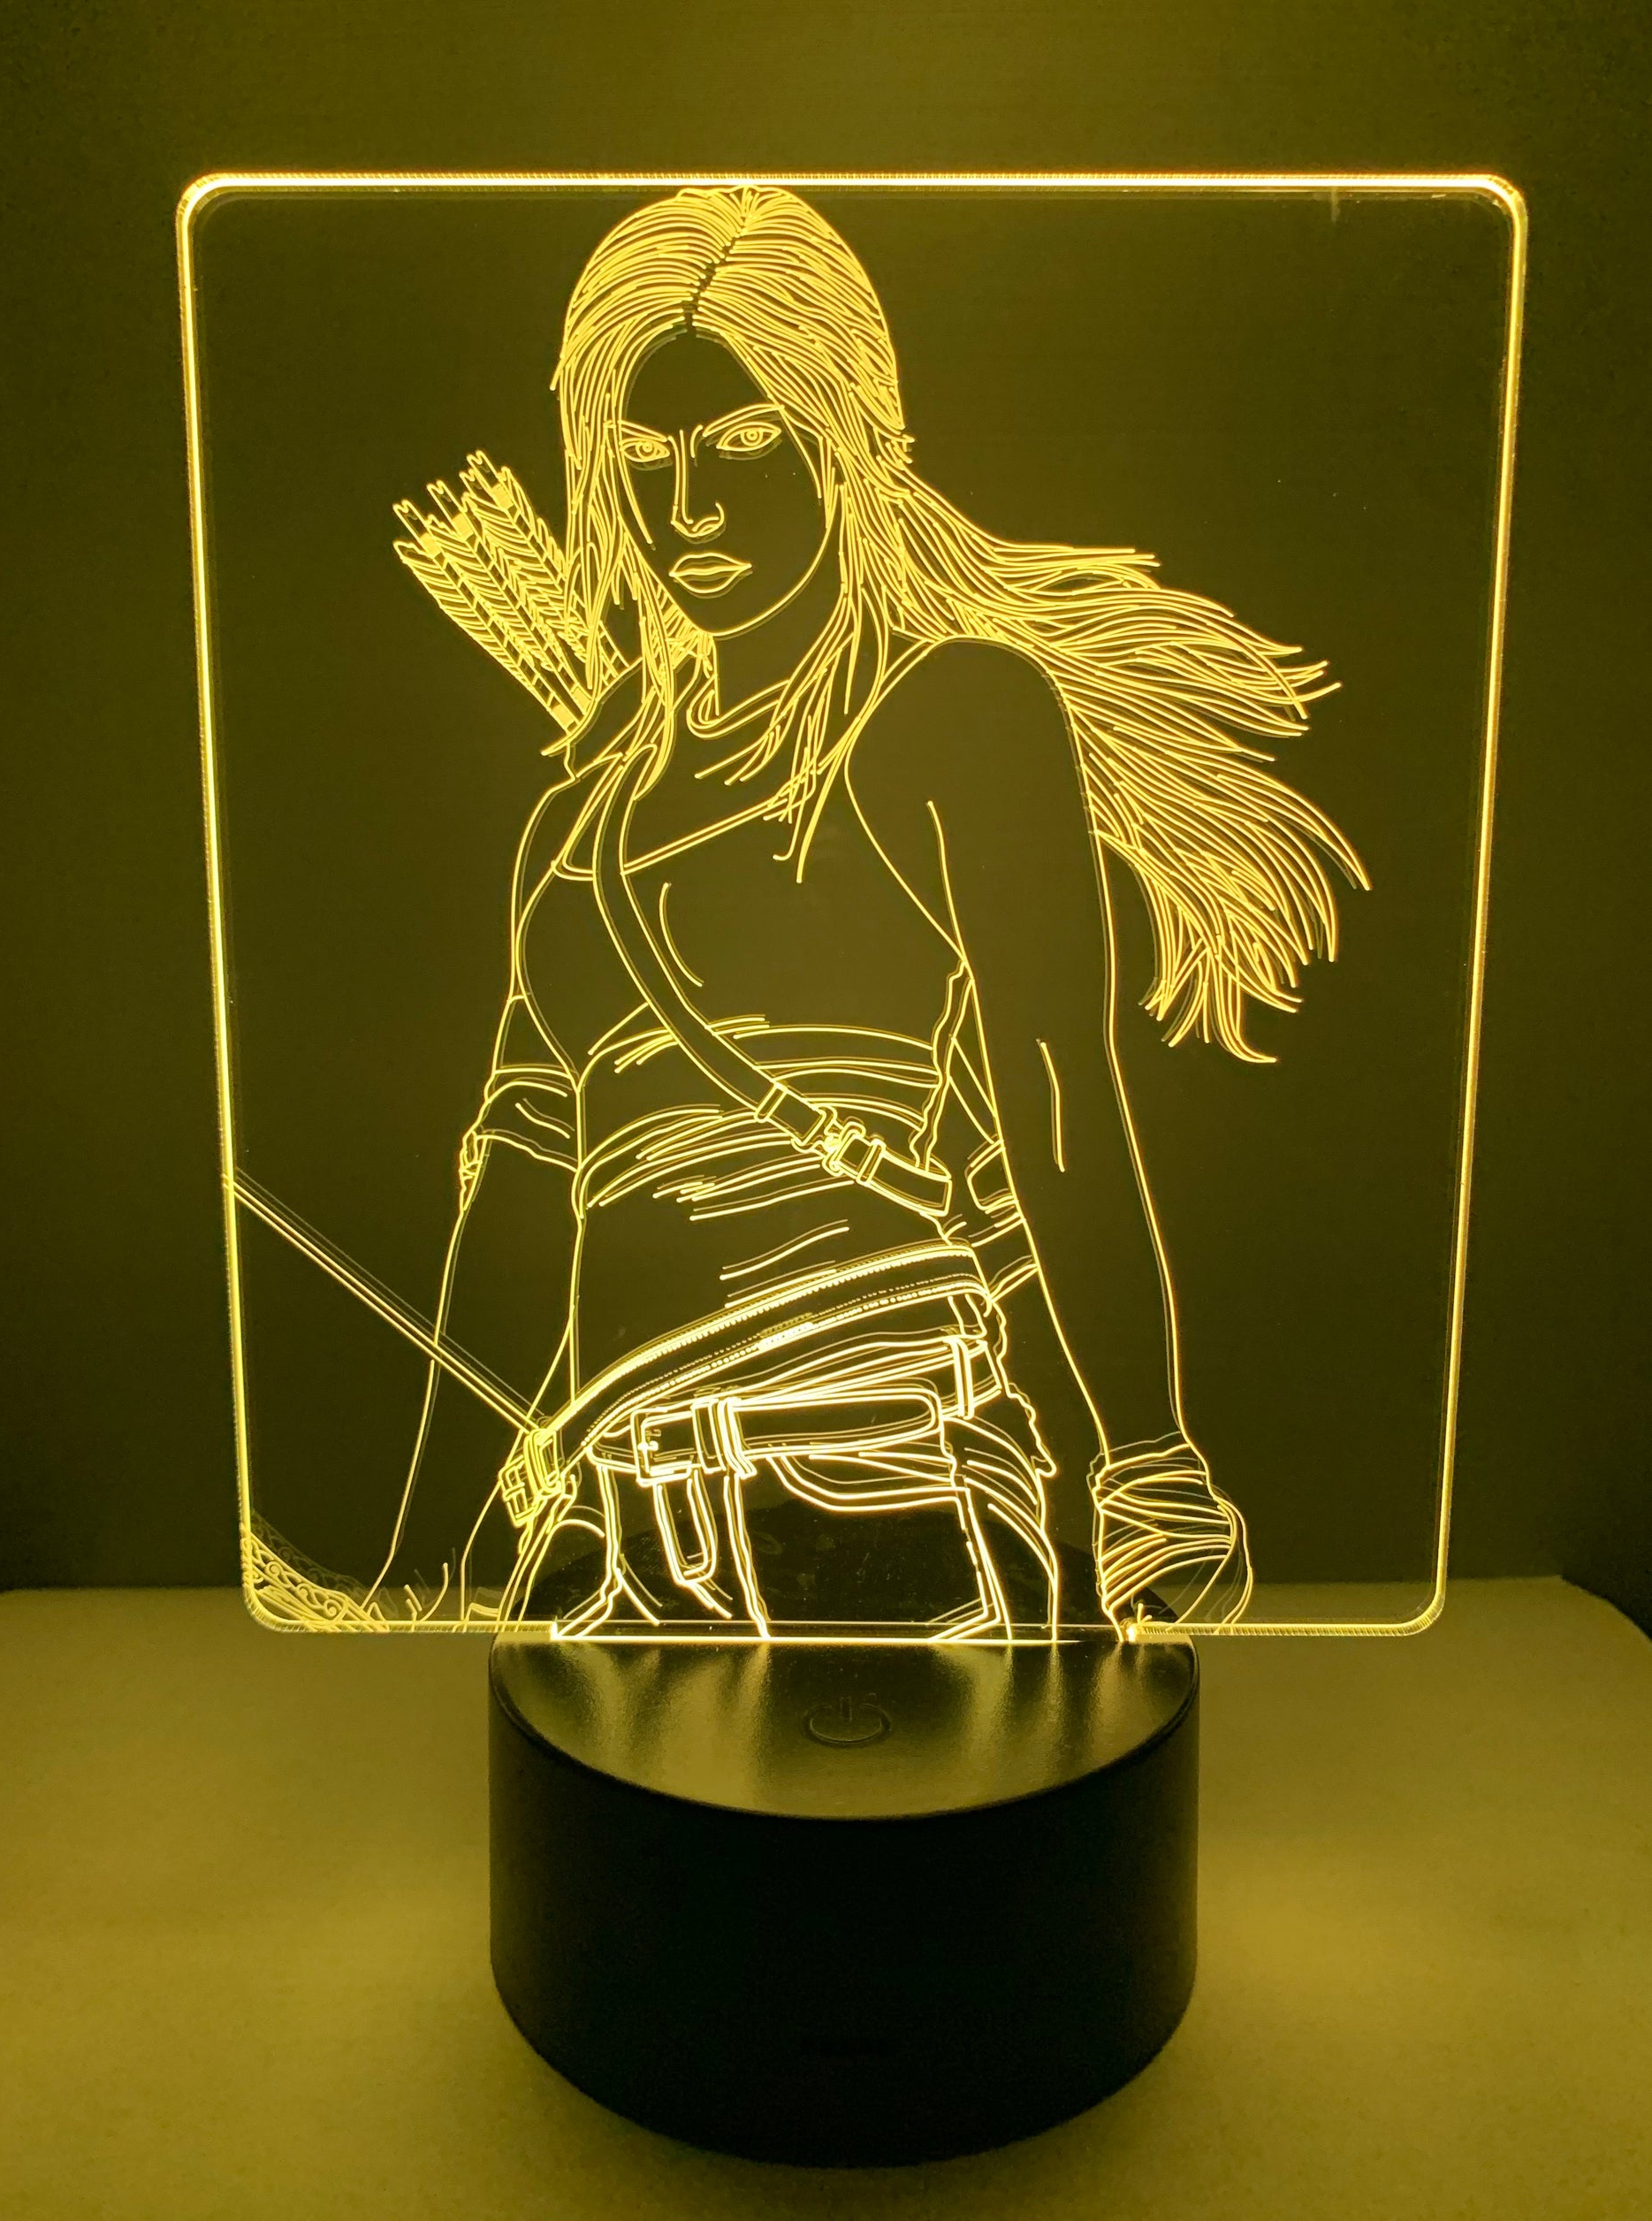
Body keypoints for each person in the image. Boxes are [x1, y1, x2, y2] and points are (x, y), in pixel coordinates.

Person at [366, 184, 1364, 1640]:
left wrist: (1147, 1460)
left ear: (848, 440)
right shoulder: (572, 829)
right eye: (641, 457)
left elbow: (1056, 1104)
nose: (686, 509)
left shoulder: (950, 718)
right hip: (604, 1519)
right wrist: (415, 1572)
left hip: (877, 1456)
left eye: (743, 444)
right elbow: (521, 1190)